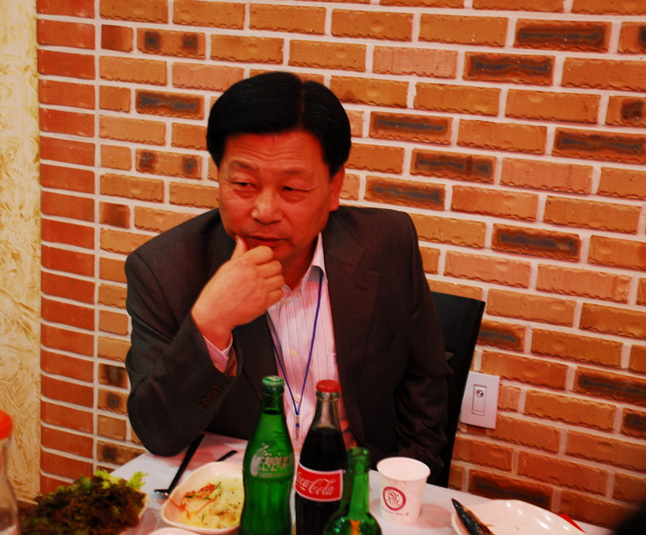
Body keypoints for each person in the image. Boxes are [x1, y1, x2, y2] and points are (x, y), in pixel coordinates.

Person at [124, 71, 450, 481]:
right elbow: (157, 433)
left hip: (356, 486)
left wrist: (402, 483)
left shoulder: (387, 244)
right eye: (244, 183)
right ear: (219, 176)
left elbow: (425, 381)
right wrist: (211, 324)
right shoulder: (163, 271)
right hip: (239, 490)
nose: (264, 211)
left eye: (292, 189)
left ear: (334, 187)